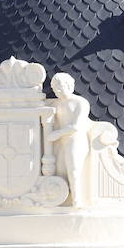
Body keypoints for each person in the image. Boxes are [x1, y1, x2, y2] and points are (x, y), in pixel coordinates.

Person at [47, 72, 91, 207]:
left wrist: (58, 134)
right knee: (60, 170)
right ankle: (61, 198)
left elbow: (77, 126)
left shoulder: (80, 102)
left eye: (59, 88)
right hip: (62, 143)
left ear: (69, 85)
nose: (57, 91)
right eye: (55, 89)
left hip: (76, 141)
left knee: (74, 170)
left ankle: (77, 200)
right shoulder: (56, 103)